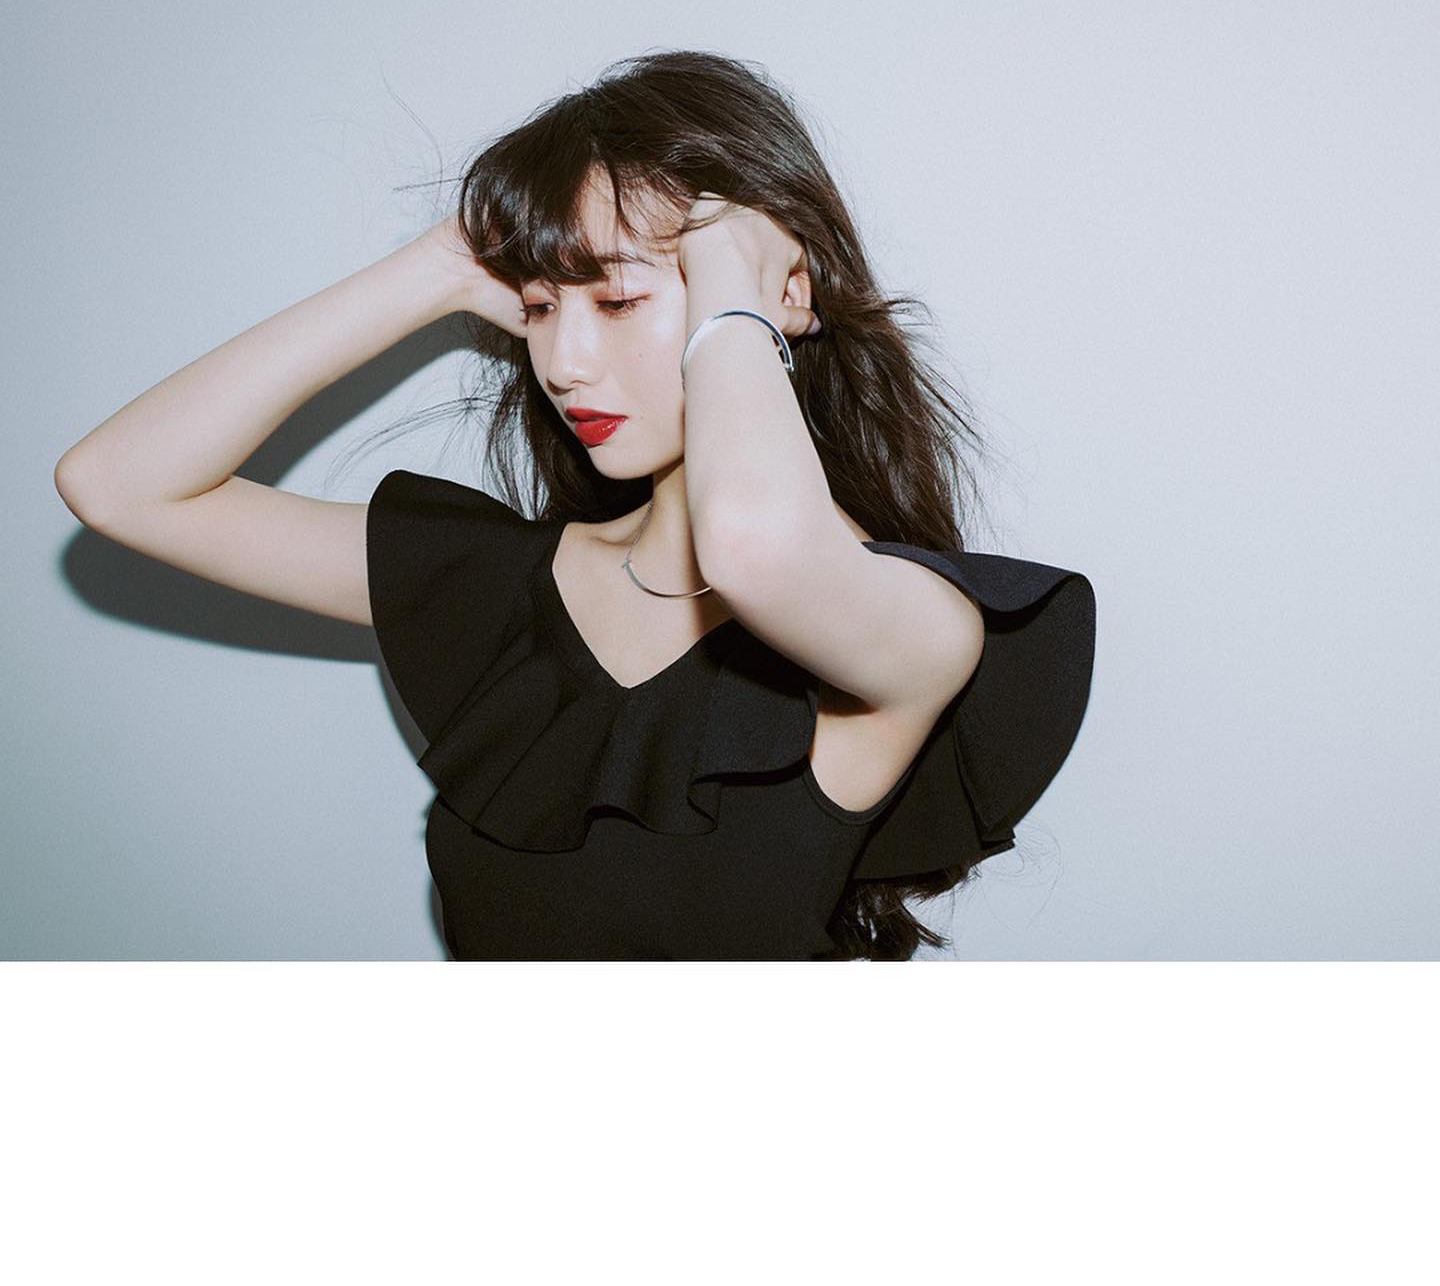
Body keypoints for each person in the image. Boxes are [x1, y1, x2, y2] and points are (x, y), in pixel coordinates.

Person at [54, 49, 1096, 960]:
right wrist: (441, 264)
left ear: (781, 293)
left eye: (621, 298)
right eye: (542, 306)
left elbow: (756, 551)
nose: (562, 360)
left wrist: (734, 282)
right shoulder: (502, 584)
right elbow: (119, 486)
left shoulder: (915, 620)